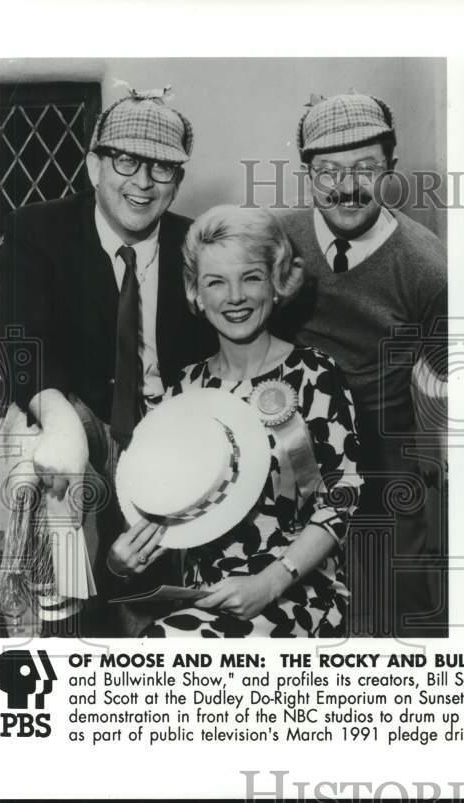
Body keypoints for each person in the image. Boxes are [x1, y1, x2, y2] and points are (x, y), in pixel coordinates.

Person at [0, 88, 214, 636]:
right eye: (126, 160)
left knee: (145, 573)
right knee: (43, 457)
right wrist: (61, 418)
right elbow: (23, 343)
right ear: (95, 165)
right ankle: (59, 621)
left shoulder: (195, 243)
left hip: (170, 417)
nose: (142, 181)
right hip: (82, 409)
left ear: (178, 181)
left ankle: (152, 630)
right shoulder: (36, 230)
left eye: (162, 168)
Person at [107, 205, 363, 637]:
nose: (235, 297)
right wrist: (121, 561)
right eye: (216, 282)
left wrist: (271, 581)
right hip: (203, 598)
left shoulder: (315, 375)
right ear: (196, 294)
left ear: (276, 283)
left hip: (298, 590)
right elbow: (159, 513)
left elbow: (342, 498)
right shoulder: (182, 391)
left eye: (250, 277)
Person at [273, 92, 448, 637]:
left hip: (382, 462)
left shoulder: (428, 264)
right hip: (283, 454)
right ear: (308, 175)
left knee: (388, 614)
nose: (347, 187)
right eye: (329, 170)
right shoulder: (277, 242)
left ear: (391, 169)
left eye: (366, 167)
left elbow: (443, 378)